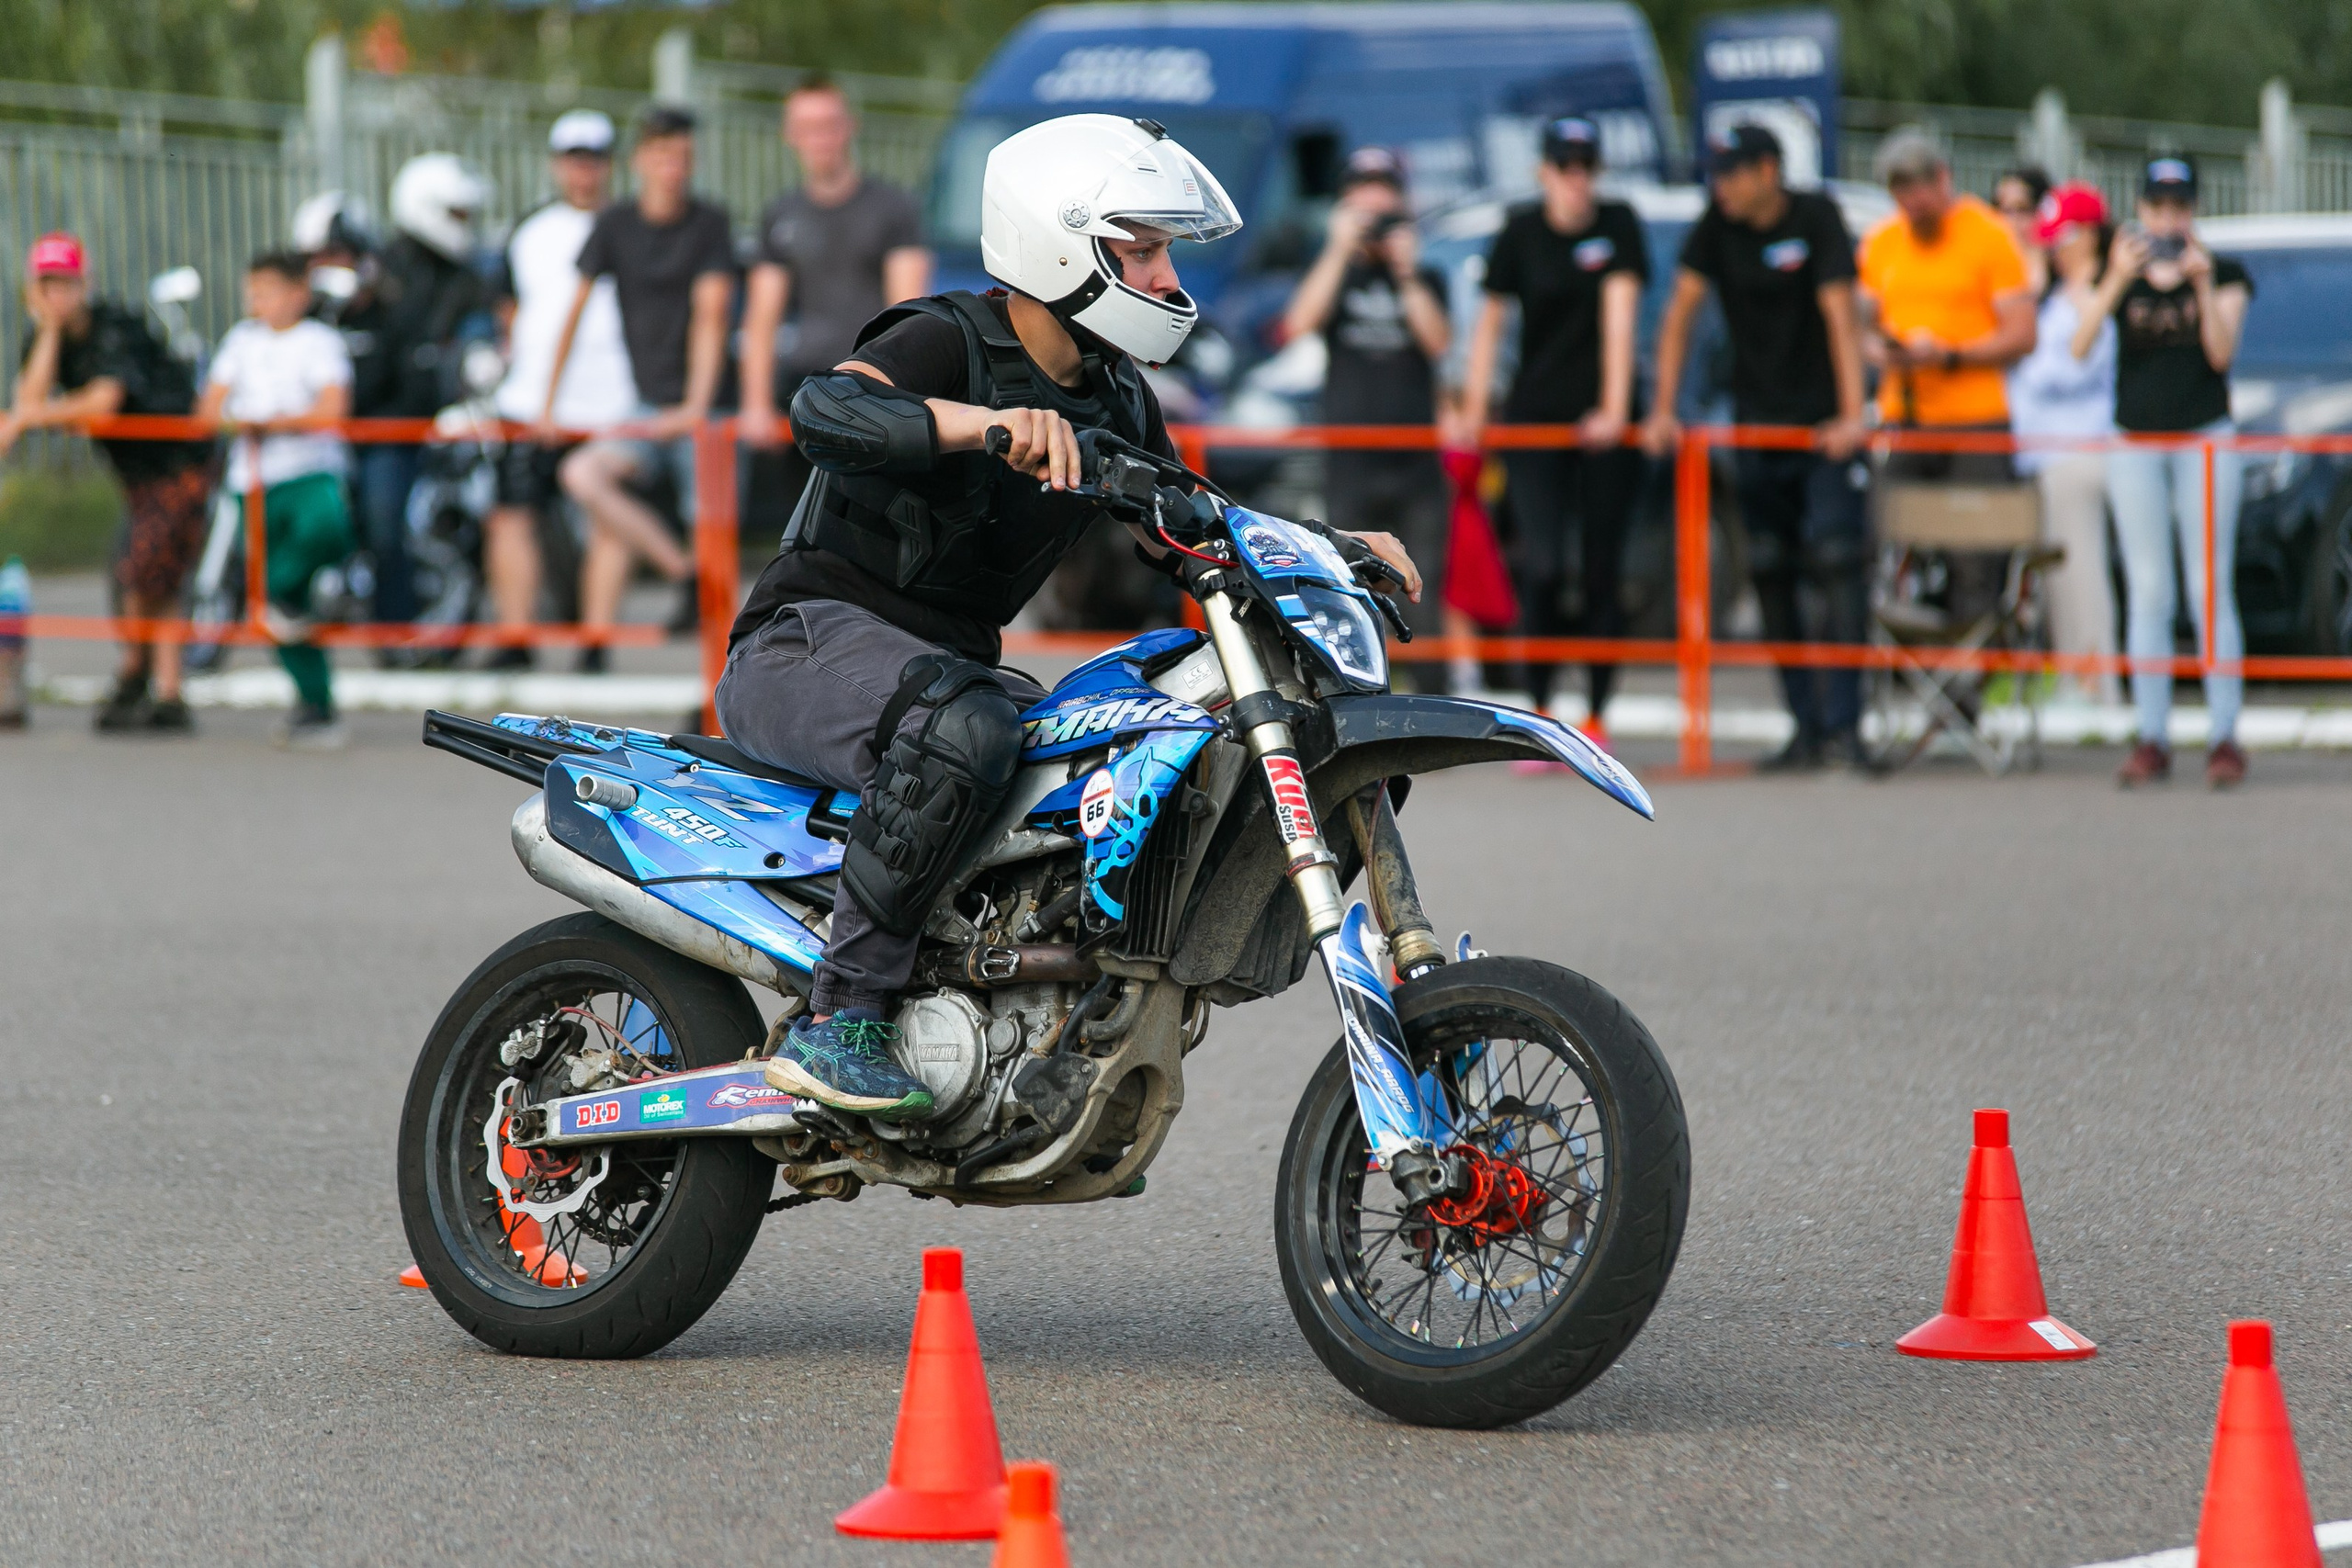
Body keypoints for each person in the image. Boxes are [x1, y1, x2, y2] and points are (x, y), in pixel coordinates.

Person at [713, 115, 1421, 1120]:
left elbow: (1190, 521)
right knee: (967, 729)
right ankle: (845, 1019)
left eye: (1163, 250)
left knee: (1117, 749)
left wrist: (1332, 548)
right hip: (806, 643)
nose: (1166, 275)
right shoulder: (946, 337)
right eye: (1141, 250)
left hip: (946, 668)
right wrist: (985, 427)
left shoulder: (1115, 395)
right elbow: (826, 412)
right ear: (1061, 246)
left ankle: (1038, 1030)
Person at [1643, 124, 1871, 770]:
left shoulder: (1816, 217)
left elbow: (1840, 316)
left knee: (1837, 560)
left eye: (1732, 172)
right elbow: (1679, 314)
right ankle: (1805, 726)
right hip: (1756, 422)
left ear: (1768, 170)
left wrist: (1853, 416)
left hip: (1822, 429)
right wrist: (1664, 409)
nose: (1721, 186)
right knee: (1769, 566)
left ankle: (1847, 729)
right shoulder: (1717, 226)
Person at [2074, 156, 2254, 788]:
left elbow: (2221, 352)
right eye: (2157, 207)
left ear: (2195, 210)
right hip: (2135, 440)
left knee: (2210, 585)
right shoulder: (2120, 270)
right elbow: (2079, 344)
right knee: (2149, 588)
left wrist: (2200, 285)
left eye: (2179, 207)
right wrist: (2118, 279)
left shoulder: (2224, 271)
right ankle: (2151, 734)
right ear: (2142, 210)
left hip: (2203, 435)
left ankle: (2223, 734)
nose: (2168, 219)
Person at [1462, 117, 1644, 737]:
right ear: (1545, 172)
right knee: (1541, 564)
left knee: (1601, 566)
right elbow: (1490, 325)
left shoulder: (1617, 224)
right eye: (1565, 168)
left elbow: (1621, 321)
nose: (1576, 181)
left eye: (1586, 168)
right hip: (1535, 414)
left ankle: (1596, 713)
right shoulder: (1520, 231)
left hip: (1601, 419)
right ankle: (1539, 710)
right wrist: (1473, 408)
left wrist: (1615, 408)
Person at [545, 105, 735, 671]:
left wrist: (696, 407)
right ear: (639, 162)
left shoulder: (709, 222)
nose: (673, 169)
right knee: (585, 475)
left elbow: (712, 314)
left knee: (714, 528)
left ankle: (719, 684)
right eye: (662, 156)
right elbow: (571, 313)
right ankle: (678, 577)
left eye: (682, 158)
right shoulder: (616, 224)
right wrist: (547, 405)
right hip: (646, 401)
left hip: (707, 404)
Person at [0, 232, 213, 733]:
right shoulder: (48, 337)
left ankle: (134, 672)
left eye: (66, 284)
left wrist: (32, 417)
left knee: (139, 570)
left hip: (179, 464)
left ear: (85, 283)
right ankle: (169, 694)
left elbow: (103, 400)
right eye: (47, 285)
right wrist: (49, 331)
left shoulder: (116, 327)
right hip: (137, 477)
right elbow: (29, 393)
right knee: (156, 580)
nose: (59, 295)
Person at [301, 155, 490, 642]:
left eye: (342, 256)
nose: (335, 269)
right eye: (323, 258)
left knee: (385, 521)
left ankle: (395, 630)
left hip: (388, 428)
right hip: (329, 430)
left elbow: (412, 366)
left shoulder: (405, 293)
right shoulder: (329, 304)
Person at [1858, 130, 2038, 635]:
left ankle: (1965, 686)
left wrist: (1951, 356)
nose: (1911, 203)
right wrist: (1883, 350)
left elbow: (2023, 334)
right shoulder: (1881, 242)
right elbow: (1861, 325)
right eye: (1900, 192)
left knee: (1974, 556)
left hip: (1975, 422)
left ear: (1944, 179)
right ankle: (1907, 669)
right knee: (1878, 541)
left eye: (1918, 188)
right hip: (1905, 417)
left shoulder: (1988, 236)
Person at [1281, 145, 1451, 682]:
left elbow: (1440, 341)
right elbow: (1296, 325)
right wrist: (1337, 251)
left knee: (1425, 583)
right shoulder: (1336, 272)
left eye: (1386, 201)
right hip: (1349, 454)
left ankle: (1431, 695)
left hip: (1416, 459)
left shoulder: (1424, 277)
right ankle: (1353, 688)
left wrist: (1406, 273)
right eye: (1363, 199)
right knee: (1344, 578)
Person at [481, 110, 637, 670]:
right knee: (511, 514)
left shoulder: (632, 226)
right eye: (574, 159)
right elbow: (508, 307)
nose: (584, 172)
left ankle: (595, 642)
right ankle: (516, 638)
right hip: (529, 399)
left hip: (611, 397)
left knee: (606, 517)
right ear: (557, 165)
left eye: (594, 159)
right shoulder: (529, 231)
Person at [738, 79, 931, 526]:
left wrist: (901, 401)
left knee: (873, 533)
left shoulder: (893, 208)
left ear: (849, 128)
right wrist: (753, 403)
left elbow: (910, 314)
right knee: (803, 534)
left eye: (828, 125)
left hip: (873, 389)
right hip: (804, 394)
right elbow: (762, 317)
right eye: (807, 126)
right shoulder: (781, 213)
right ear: (790, 134)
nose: (819, 138)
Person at [195, 252, 355, 750]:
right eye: (253, 291)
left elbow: (332, 407)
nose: (255, 301)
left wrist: (271, 422)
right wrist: (247, 422)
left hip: (309, 471)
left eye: (265, 290)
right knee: (282, 605)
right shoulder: (240, 341)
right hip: (255, 480)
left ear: (296, 294)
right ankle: (314, 702)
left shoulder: (321, 342)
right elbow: (208, 410)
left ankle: (286, 597)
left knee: (320, 536)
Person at [2005, 182, 2120, 706]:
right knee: (2058, 580)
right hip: (2047, 454)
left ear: (2088, 235)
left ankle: (2095, 688)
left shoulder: (2096, 292)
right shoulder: (2060, 296)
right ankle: (2076, 679)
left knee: (2081, 575)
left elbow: (2065, 368)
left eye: (2062, 236)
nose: (2053, 247)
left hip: (2075, 450)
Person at [1992, 164, 2054, 294]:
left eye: (2022, 209)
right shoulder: (1985, 269)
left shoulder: (2062, 274)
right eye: (2002, 209)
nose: (2010, 221)